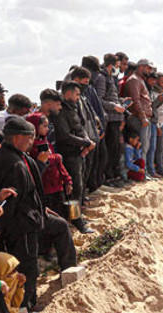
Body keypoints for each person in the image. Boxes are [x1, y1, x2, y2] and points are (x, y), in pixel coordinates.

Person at [0, 117, 77, 309]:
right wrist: (2, 231)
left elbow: (31, 191)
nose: (32, 142)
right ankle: (27, 305)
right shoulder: (10, 162)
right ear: (17, 138)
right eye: (30, 138)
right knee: (27, 265)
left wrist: (42, 209)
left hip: (33, 215)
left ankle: (69, 270)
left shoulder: (19, 156)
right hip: (20, 224)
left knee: (60, 226)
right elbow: (11, 202)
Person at [52, 82, 95, 233]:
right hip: (69, 154)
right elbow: (64, 135)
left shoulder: (72, 108)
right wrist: (85, 142)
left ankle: (77, 218)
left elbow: (79, 128)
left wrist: (86, 142)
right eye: (77, 95)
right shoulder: (61, 111)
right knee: (73, 189)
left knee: (79, 187)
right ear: (68, 94)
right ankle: (76, 220)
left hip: (78, 152)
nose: (78, 98)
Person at [26, 113, 72, 220]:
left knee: (61, 212)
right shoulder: (30, 147)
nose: (47, 129)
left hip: (57, 185)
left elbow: (58, 164)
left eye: (48, 126)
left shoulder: (46, 142)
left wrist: (67, 180)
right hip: (45, 188)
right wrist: (55, 157)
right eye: (44, 126)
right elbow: (43, 162)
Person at [98, 54, 128, 187]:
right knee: (110, 149)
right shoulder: (102, 78)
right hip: (109, 119)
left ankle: (112, 175)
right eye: (117, 65)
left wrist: (121, 102)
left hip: (116, 118)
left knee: (116, 149)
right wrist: (114, 106)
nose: (119, 68)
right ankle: (108, 177)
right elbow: (99, 100)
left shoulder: (111, 78)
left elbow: (110, 97)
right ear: (111, 65)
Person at [126, 59, 155, 160]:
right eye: (148, 68)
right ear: (141, 67)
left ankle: (144, 171)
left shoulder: (140, 79)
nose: (150, 71)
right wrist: (143, 117)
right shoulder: (134, 80)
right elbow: (136, 100)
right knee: (141, 147)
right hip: (139, 118)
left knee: (145, 147)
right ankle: (140, 172)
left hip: (144, 117)